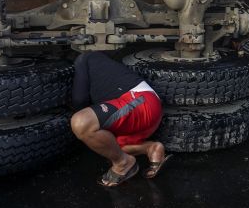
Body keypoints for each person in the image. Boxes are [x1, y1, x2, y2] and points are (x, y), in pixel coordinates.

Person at [70, 52, 172, 187]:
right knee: (106, 145)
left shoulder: (84, 59)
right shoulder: (102, 64)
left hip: (140, 102)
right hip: (146, 114)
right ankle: (151, 148)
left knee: (81, 123)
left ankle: (123, 163)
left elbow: (79, 100)